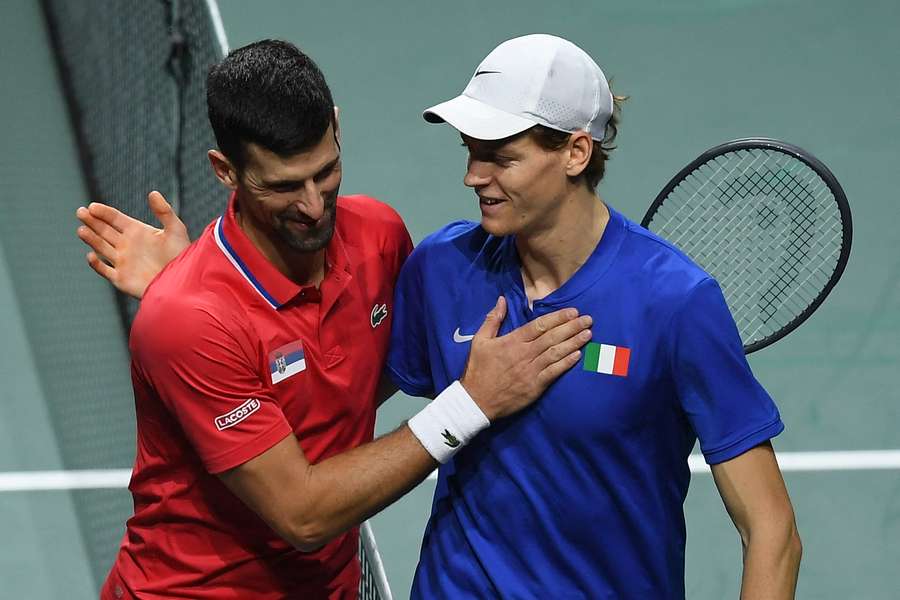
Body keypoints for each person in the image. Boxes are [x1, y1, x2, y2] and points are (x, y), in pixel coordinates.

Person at [79, 35, 802, 599]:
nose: (471, 176)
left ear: (576, 151)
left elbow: (771, 528)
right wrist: (191, 293)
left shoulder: (675, 302)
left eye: (501, 157)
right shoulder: (446, 268)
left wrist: (188, 293)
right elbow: (311, 425)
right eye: (470, 152)